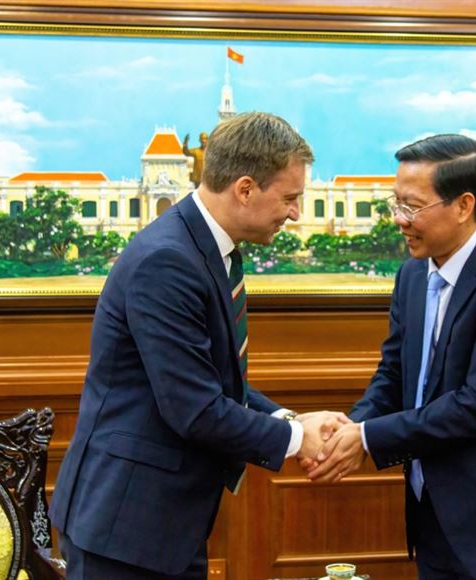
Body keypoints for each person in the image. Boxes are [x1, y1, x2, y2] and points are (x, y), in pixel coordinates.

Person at [50, 112, 347, 579]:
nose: (295, 214)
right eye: (290, 198)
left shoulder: (202, 246)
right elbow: (195, 408)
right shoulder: (168, 260)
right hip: (125, 527)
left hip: (162, 524)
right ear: (245, 189)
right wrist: (296, 439)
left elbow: (209, 379)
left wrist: (288, 419)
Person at [306, 134, 476, 579]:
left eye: (412, 206)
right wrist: (352, 427)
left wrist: (368, 438)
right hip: (435, 517)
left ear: (463, 206)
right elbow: (394, 374)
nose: (399, 219)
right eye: (396, 203)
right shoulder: (412, 276)